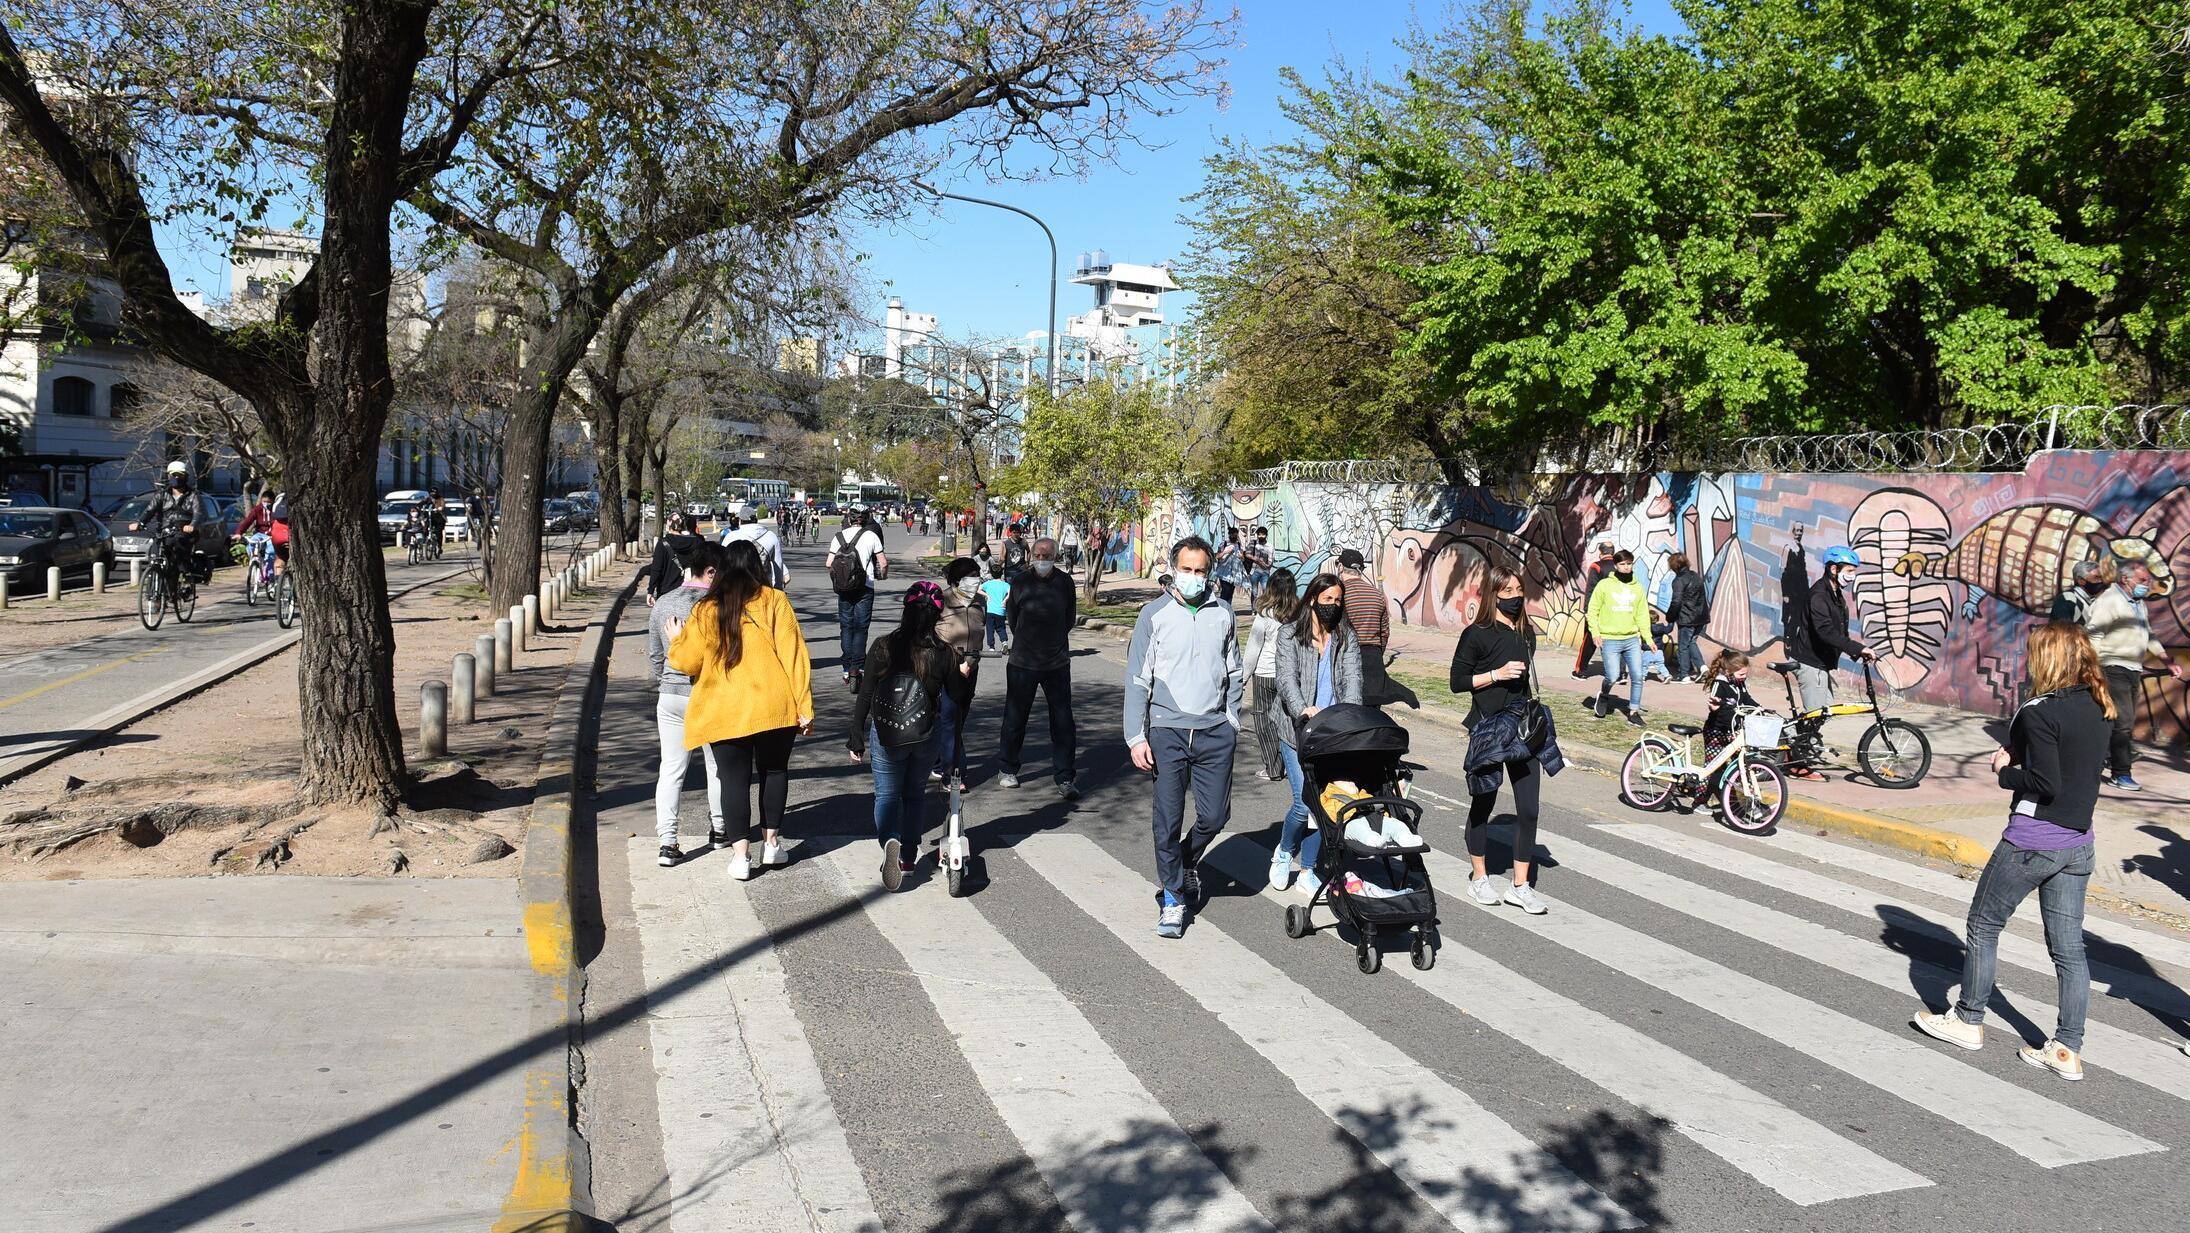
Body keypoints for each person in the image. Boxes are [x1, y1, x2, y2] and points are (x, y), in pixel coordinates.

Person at [1912, 623, 2114, 1080]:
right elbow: (2069, 765)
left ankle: (1967, 1019)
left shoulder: (2038, 710)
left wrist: (2004, 770)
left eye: (2032, 653)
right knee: (2069, 950)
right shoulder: (2100, 705)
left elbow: (2045, 781)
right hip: (2079, 842)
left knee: (1983, 925)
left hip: (2033, 839)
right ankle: (2067, 1049)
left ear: (2047, 660)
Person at [667, 540, 814, 881]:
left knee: (732, 780)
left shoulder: (706, 609)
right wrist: (803, 705)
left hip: (724, 708)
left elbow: (687, 662)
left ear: (721, 569)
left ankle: (740, 856)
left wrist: (677, 638)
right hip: (775, 704)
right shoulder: (775, 600)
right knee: (774, 772)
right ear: (757, 568)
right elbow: (795, 655)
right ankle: (773, 844)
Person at [1124, 536, 1244, 939]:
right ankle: (1173, 898)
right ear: (1174, 569)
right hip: (1167, 731)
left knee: (1214, 816)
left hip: (1214, 732)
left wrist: (1231, 720)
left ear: (1210, 573)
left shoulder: (1223, 613)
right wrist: (1135, 737)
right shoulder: (1153, 615)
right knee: (1167, 819)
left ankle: (1183, 863)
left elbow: (1234, 672)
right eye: (1187, 569)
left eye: (1201, 571)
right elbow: (1138, 679)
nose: (1194, 577)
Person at [848, 581, 973, 890]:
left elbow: (865, 694)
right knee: (914, 795)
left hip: (887, 734)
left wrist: (856, 733)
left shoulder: (883, 646)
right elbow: (956, 698)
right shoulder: (944, 653)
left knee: (887, 796)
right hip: (924, 733)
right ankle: (907, 855)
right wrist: (963, 674)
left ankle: (888, 839)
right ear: (936, 617)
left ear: (905, 611)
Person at [1449, 564, 1556, 914]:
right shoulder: (1476, 633)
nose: (1514, 598)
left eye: (1518, 591)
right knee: (1484, 802)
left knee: (1529, 810)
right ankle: (1479, 877)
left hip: (1522, 729)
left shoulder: (1527, 633)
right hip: (1489, 729)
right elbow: (1457, 681)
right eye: (1506, 592)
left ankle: (1520, 886)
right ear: (1492, 595)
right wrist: (1495, 674)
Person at [1270, 572, 1362, 892]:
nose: (1333, 606)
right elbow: (1286, 681)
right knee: (1304, 803)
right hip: (1295, 729)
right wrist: (1302, 710)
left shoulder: (1345, 637)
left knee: (1322, 803)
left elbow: (1353, 682)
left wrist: (1351, 717)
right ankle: (1284, 852)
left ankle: (1308, 869)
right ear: (1312, 599)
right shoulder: (1289, 634)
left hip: (1331, 733)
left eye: (1338, 601)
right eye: (1327, 600)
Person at [649, 539, 726, 865]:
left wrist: (668, 678)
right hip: (708, 694)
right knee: (716, 766)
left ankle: (667, 841)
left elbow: (655, 656)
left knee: (671, 769)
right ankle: (720, 829)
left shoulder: (664, 604)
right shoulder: (717, 604)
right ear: (710, 572)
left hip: (670, 695)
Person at [2085, 556, 2184, 791]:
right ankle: (2121, 773)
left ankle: (2098, 760)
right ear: (2125, 579)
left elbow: (2147, 634)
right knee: (2124, 722)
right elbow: (2094, 635)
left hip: (2132, 669)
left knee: (2112, 720)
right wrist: (2092, 669)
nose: (2147, 584)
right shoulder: (2110, 601)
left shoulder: (2137, 603)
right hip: (2112, 667)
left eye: (2148, 580)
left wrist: (2168, 661)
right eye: (2142, 580)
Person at [999, 537, 1080, 797]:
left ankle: (1065, 776)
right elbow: (1013, 618)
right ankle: (1008, 768)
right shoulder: (1020, 581)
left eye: (1047, 555)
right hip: (1023, 662)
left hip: (1056, 662)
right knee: (1015, 719)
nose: (1042, 559)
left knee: (1063, 721)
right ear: (1030, 555)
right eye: (1037, 554)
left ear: (1055, 557)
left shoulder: (1065, 583)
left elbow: (1069, 618)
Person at [1787, 544, 1874, 778]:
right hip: (1810, 662)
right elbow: (1825, 632)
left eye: (1854, 571)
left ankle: (1791, 746)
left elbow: (1839, 631)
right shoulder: (1819, 595)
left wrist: (1856, 652)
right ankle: (1798, 763)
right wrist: (1858, 648)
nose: (1852, 576)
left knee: (1824, 710)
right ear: (1834, 569)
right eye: (1849, 571)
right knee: (1814, 712)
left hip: (1821, 663)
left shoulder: (1834, 594)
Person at [1241, 568, 1299, 783]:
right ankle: (1290, 763)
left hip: (1264, 673)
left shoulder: (1264, 615)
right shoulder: (1299, 614)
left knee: (1263, 720)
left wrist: (1244, 677)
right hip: (1289, 674)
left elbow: (1253, 650)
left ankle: (1273, 768)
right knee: (1288, 720)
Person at [935, 558, 987, 785]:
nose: (974, 582)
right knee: (949, 719)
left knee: (959, 718)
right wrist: (952, 663)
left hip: (971, 669)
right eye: (969, 578)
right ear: (956, 580)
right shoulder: (941, 601)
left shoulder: (979, 603)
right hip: (946, 669)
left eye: (977, 577)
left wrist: (970, 664)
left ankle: (939, 761)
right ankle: (953, 774)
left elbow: (979, 636)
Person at [824, 509, 888, 691]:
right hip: (865, 587)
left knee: (846, 626)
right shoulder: (871, 536)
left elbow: (829, 563)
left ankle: (846, 667)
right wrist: (882, 575)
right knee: (861, 627)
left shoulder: (838, 536)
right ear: (865, 519)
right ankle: (857, 667)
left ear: (848, 520)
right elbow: (883, 563)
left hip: (844, 588)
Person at [1587, 549, 1649, 725]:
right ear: (1615, 565)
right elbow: (1592, 611)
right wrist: (1595, 633)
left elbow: (1642, 614)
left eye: (1629, 564)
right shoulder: (1604, 585)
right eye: (1622, 564)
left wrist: (1648, 638)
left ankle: (1634, 711)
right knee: (1612, 676)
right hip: (1610, 639)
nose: (1626, 567)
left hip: (1631, 639)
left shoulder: (1637, 587)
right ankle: (1604, 694)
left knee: (1637, 675)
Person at [132, 461, 203, 584]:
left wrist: (191, 525)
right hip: (164, 532)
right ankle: (154, 589)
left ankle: (185, 575)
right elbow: (149, 510)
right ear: (169, 476)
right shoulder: (161, 495)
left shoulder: (193, 495)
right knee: (154, 554)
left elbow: (198, 514)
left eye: (179, 475)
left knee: (178, 555)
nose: (176, 478)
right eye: (173, 475)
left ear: (185, 477)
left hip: (183, 533)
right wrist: (139, 523)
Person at [1336, 549, 1391, 704]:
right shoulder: (1377, 594)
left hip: (1345, 657)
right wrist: (1377, 653)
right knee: (1372, 715)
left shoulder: (1338, 595)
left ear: (1340, 567)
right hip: (1373, 659)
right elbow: (1385, 632)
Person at [1700, 649, 1757, 770]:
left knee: (1740, 762)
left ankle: (1734, 786)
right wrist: (1715, 707)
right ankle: (1701, 788)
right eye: (1741, 674)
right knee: (1712, 766)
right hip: (1716, 731)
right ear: (1728, 672)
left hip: (1732, 730)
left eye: (1745, 674)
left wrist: (1759, 708)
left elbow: (1746, 698)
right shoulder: (1719, 683)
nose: (1744, 677)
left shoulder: (1739, 683)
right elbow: (1714, 702)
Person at [1571, 537, 1616, 677]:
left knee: (1589, 641)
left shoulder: (1596, 566)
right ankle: (1619, 673)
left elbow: (1590, 589)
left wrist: (1587, 610)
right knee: (1615, 641)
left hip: (1598, 611)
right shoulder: (1620, 566)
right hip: (1616, 611)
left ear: (1600, 553)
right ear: (1613, 553)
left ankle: (1581, 671)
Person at [1667, 552, 1709, 681]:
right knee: (1691, 642)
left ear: (1674, 566)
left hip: (1687, 618)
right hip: (1701, 617)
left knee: (1683, 645)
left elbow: (1676, 601)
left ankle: (1684, 675)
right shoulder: (1695, 576)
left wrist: (1670, 617)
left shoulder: (1678, 580)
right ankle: (1702, 668)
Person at [647, 511, 703, 605]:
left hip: (666, 591)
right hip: (690, 591)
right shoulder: (696, 542)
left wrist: (650, 591)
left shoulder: (663, 544)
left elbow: (656, 569)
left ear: (668, 526)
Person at [721, 511, 790, 588]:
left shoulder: (731, 536)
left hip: (736, 588)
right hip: (763, 588)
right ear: (756, 520)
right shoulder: (770, 535)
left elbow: (722, 563)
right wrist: (778, 587)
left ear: (740, 521)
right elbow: (778, 564)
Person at [2048, 557, 2113, 625]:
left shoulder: (2094, 600)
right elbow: (2062, 631)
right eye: (2096, 577)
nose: (2101, 581)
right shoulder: (2067, 599)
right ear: (2080, 580)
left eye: (2101, 577)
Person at [1213, 527, 1247, 604]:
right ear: (1229, 534)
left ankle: (1228, 608)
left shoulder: (1239, 545)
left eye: (1235, 534)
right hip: (1224, 573)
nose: (1234, 535)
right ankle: (1222, 608)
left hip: (1235, 574)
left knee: (1230, 593)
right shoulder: (1223, 544)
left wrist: (1242, 557)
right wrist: (1225, 552)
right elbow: (1217, 556)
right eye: (1232, 534)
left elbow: (1243, 559)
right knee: (1225, 591)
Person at [978, 572, 1011, 651]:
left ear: (992, 574)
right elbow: (1010, 593)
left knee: (990, 629)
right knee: (1001, 627)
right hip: (1001, 610)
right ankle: (1004, 642)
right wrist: (1005, 600)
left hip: (990, 610)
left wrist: (986, 595)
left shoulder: (988, 584)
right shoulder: (1006, 585)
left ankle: (991, 647)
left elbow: (978, 589)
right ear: (1001, 574)